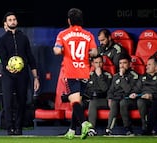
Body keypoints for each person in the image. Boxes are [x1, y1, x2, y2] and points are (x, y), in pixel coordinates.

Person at [53, 8, 98, 140]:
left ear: (69, 21)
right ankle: (72, 130)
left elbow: (56, 51)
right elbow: (94, 53)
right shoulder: (88, 35)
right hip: (84, 70)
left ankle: (84, 123)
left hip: (70, 70)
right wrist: (85, 54)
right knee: (78, 100)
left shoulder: (63, 34)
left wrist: (64, 52)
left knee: (74, 101)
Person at [0, 12, 40, 135]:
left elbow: (30, 58)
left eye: (14, 19)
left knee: (22, 101)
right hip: (8, 75)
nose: (12, 21)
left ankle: (18, 127)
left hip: (23, 74)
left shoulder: (24, 38)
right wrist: (9, 68)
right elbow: (4, 59)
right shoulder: (1, 40)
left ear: (16, 22)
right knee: (8, 101)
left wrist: (36, 77)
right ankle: (10, 127)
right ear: (6, 23)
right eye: (10, 20)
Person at [130, 56, 157, 135]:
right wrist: (133, 93)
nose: (146, 67)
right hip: (141, 98)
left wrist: (151, 96)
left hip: (155, 99)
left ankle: (146, 128)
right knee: (124, 102)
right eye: (146, 65)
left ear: (156, 67)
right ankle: (128, 130)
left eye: (149, 65)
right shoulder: (143, 77)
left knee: (141, 102)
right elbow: (136, 88)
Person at [105, 53, 139, 135]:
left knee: (122, 103)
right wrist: (109, 98)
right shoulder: (116, 76)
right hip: (117, 98)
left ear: (130, 64)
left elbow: (129, 90)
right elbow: (110, 90)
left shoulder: (134, 75)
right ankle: (109, 129)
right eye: (120, 63)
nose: (122, 65)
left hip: (129, 99)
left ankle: (128, 129)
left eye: (124, 63)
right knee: (114, 102)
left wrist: (122, 77)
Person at [84, 54, 112, 136]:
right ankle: (74, 128)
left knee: (93, 103)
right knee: (78, 104)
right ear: (92, 63)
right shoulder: (89, 75)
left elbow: (105, 89)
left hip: (104, 100)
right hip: (91, 98)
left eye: (100, 62)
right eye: (96, 63)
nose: (98, 65)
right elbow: (86, 90)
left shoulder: (107, 75)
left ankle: (91, 129)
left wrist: (100, 76)